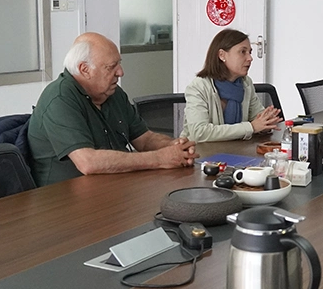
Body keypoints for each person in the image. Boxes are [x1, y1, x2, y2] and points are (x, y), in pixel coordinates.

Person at [28, 32, 198, 187]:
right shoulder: (60, 98)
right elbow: (88, 162)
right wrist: (160, 158)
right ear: (84, 70)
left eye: (119, 64)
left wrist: (173, 146)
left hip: (114, 186)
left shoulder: (114, 93)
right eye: (111, 67)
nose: (121, 72)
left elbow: (144, 140)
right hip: (64, 200)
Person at [182, 29, 282, 142]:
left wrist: (266, 122)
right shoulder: (198, 87)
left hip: (236, 151)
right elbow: (199, 133)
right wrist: (251, 127)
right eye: (242, 52)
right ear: (222, 55)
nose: (250, 58)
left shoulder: (246, 83)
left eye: (250, 52)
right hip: (201, 154)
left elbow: (257, 118)